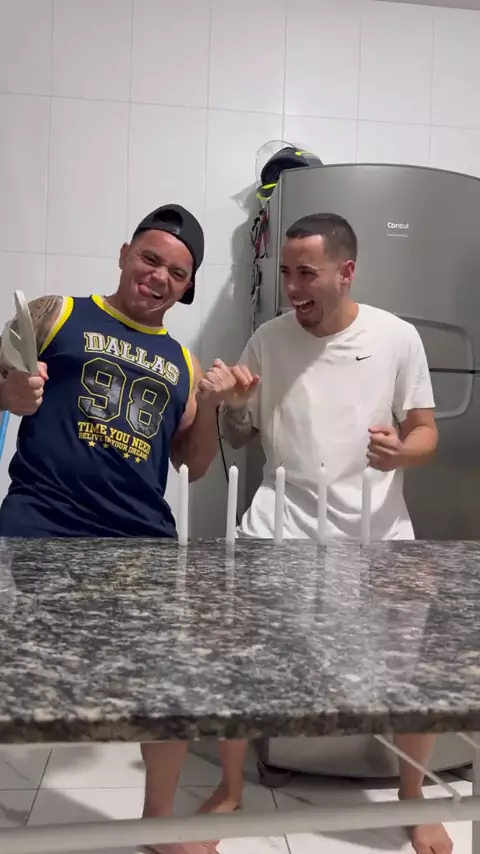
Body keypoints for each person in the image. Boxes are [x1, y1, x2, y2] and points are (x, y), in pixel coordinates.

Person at [0, 203, 243, 854]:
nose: (159, 276)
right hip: (40, 525)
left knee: (169, 684)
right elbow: (3, 376)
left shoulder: (184, 362)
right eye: (150, 258)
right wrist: (9, 393)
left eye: (176, 273)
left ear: (186, 289)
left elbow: (192, 465)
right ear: (124, 255)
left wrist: (210, 404)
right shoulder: (54, 312)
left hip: (140, 543)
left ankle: (158, 823)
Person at [216, 213, 451, 854]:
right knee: (240, 657)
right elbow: (240, 434)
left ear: (346, 272)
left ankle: (412, 795)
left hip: (377, 532)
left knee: (408, 672)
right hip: (279, 522)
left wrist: (403, 453)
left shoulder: (397, 337)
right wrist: (232, 404)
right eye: (286, 273)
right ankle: (230, 790)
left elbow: (427, 432)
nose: (292, 288)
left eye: (306, 273)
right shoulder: (268, 339)